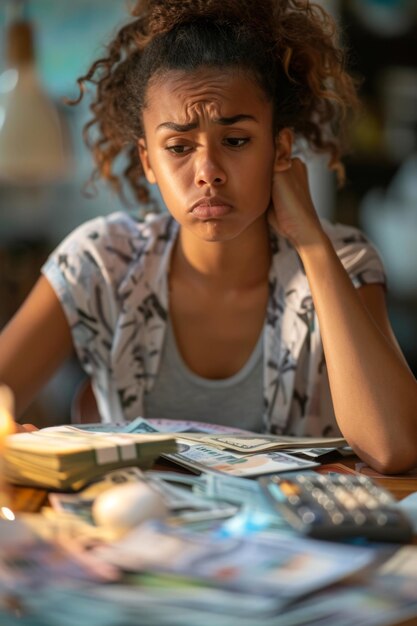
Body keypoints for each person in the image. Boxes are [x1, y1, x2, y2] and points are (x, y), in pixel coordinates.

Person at [0, 0, 416, 474]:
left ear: (280, 148)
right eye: (178, 147)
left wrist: (313, 246)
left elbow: (394, 447)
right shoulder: (100, 262)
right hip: (133, 539)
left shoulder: (345, 260)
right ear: (148, 162)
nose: (208, 173)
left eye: (236, 141)